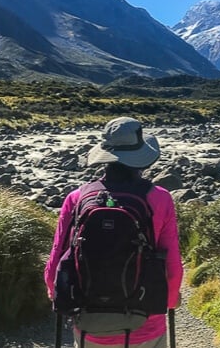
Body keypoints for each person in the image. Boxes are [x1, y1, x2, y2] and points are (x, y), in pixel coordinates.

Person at [45, 117, 183, 348]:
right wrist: (169, 300)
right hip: (145, 323)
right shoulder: (159, 198)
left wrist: (55, 292)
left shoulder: (77, 198)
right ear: (141, 157)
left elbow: (57, 258)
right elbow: (172, 263)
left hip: (90, 322)